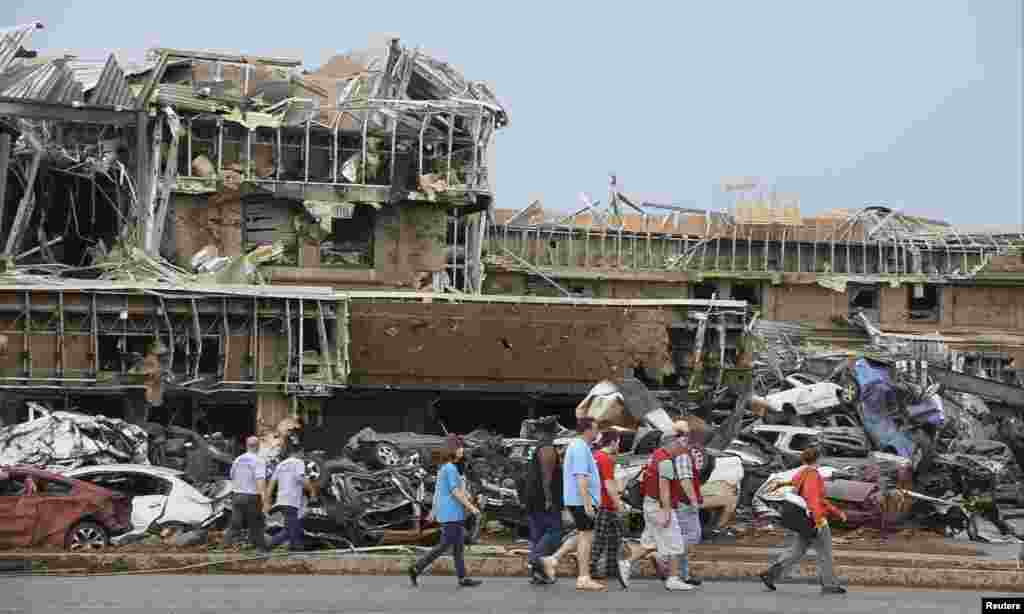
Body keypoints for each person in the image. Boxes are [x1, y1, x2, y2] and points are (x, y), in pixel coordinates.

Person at [759, 446, 848, 595]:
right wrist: (819, 521)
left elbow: (799, 492)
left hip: (803, 520)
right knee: (825, 552)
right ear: (818, 459)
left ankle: (771, 574)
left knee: (797, 550)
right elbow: (814, 499)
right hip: (814, 519)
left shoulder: (801, 473)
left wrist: (836, 512)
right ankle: (830, 584)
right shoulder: (813, 474)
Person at [624, 431, 695, 591]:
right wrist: (667, 512)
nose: (682, 447)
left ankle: (626, 563)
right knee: (676, 542)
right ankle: (673, 578)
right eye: (679, 443)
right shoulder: (666, 462)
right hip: (659, 506)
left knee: (650, 542)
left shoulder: (656, 455)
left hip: (650, 504)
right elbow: (664, 489)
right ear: (671, 443)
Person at [409, 436, 482, 588]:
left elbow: (439, 492)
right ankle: (417, 567)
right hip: (451, 513)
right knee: (444, 545)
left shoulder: (445, 468)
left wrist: (434, 512)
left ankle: (462, 578)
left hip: (451, 513)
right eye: (460, 447)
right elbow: (456, 492)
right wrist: (472, 508)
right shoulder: (449, 468)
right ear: (453, 450)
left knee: (458, 547)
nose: (462, 450)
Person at [541, 416, 604, 591]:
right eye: (596, 429)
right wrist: (587, 504)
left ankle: (553, 559)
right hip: (581, 500)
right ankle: (583, 577)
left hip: (578, 499)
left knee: (583, 534)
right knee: (586, 538)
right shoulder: (579, 448)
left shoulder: (580, 447)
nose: (598, 432)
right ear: (588, 430)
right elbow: (581, 476)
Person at [522, 419, 564, 584]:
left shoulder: (539, 446)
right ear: (551, 432)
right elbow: (547, 477)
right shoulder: (547, 447)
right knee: (554, 533)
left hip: (533, 497)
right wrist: (549, 499)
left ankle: (538, 574)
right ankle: (535, 559)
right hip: (544, 498)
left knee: (537, 536)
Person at [589, 430, 631, 590]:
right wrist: (619, 504)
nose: (619, 445)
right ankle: (592, 567)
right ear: (612, 442)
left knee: (615, 536)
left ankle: (611, 569)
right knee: (601, 538)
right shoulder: (605, 459)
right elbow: (609, 484)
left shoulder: (596, 456)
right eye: (618, 442)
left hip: (604, 502)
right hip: (606, 504)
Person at [264, 443, 318, 551]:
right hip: (291, 501)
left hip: (282, 501)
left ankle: (296, 549)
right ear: (299, 452)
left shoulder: (281, 464)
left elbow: (271, 483)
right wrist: (312, 492)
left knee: (292, 528)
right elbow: (301, 478)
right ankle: (267, 547)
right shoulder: (298, 462)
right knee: (291, 530)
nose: (303, 456)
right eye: (303, 454)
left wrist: (267, 500)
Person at [223, 435, 269, 551]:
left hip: (237, 495)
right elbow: (260, 480)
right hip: (251, 496)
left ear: (246, 446)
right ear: (258, 446)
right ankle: (261, 548)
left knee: (235, 523)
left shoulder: (238, 460)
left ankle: (224, 545)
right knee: (256, 523)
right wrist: (264, 498)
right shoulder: (258, 461)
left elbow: (232, 476)